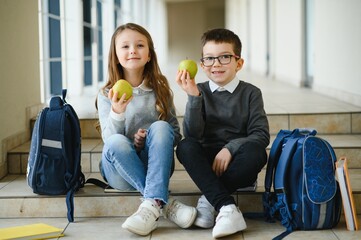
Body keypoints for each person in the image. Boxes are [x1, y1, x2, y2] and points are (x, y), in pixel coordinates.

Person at [96, 23, 197, 236]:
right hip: (119, 171)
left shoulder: (160, 89)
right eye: (125, 46)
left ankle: (152, 202)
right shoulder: (107, 94)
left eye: (140, 45)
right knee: (116, 141)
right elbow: (110, 141)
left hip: (155, 166)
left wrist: (149, 137)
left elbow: (175, 134)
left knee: (161, 126)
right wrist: (117, 112)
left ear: (149, 55)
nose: (132, 50)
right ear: (115, 55)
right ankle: (164, 203)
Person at [175, 28, 270, 238]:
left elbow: (261, 135)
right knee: (185, 146)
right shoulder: (198, 90)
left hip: (238, 162)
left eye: (224, 57)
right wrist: (193, 98)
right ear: (202, 65)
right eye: (209, 58)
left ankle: (209, 200)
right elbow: (192, 135)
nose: (216, 64)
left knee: (258, 152)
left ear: (239, 63)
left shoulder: (251, 93)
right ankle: (226, 206)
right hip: (208, 163)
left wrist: (230, 148)